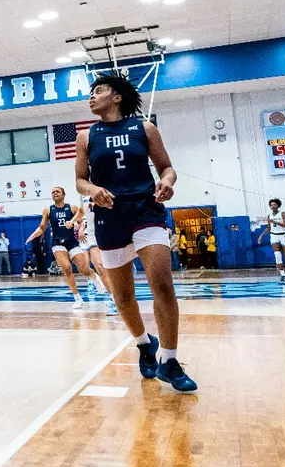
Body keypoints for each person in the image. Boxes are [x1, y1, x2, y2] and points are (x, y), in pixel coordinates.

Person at [74, 74, 196, 393]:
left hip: (146, 209)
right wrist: (93, 189)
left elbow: (167, 168)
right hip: (109, 216)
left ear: (116, 98)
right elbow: (79, 180)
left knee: (162, 285)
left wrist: (167, 183)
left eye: (98, 91)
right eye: (91, 92)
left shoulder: (144, 128)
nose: (91, 97)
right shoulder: (86, 137)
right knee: (123, 297)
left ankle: (169, 361)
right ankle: (145, 343)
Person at [26, 188, 88, 307]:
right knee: (67, 268)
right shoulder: (48, 209)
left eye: (57, 191)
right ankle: (78, 299)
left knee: (83, 268)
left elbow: (81, 222)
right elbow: (42, 227)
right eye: (53, 192)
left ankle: (95, 279)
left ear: (64, 194)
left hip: (72, 241)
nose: (55, 193)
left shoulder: (72, 207)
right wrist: (33, 235)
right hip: (57, 242)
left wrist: (80, 231)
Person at [261, 198, 285, 281]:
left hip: (283, 235)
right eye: (271, 205)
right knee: (277, 255)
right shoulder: (269, 216)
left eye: (274, 204)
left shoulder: (282, 214)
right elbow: (269, 228)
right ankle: (283, 275)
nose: (273, 206)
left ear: (278, 205)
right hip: (274, 236)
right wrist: (261, 236)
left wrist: (275, 222)